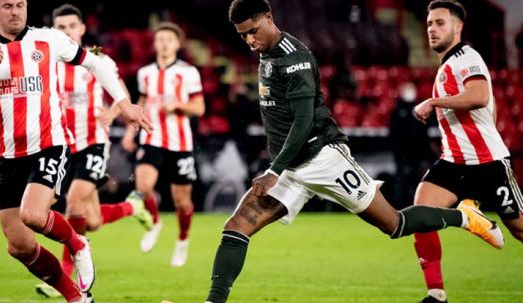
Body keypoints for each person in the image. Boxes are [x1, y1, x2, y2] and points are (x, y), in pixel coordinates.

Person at [199, 1, 504, 302]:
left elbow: (304, 123)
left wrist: (272, 171)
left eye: (253, 31)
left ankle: (464, 217)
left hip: (324, 158)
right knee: (236, 226)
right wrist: (280, 167)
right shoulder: (267, 54)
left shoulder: (296, 60)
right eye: (243, 36)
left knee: (395, 224)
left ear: (268, 16)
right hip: (291, 167)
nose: (250, 41)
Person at [0, 0, 151, 302]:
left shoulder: (48, 38)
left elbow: (97, 62)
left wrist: (123, 105)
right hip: (9, 156)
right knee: (18, 245)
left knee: (34, 215)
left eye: (20, 4)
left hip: (50, 144)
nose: (15, 11)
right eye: (7, 6)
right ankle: (77, 298)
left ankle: (77, 243)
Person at [34, 4, 155, 298]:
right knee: (92, 221)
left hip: (93, 142)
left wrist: (112, 115)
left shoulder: (97, 59)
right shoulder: (48, 62)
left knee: (72, 204)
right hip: (62, 146)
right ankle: (132, 207)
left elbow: (121, 95)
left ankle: (66, 275)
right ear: (54, 31)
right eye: (60, 28)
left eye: (71, 26)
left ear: (82, 28)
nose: (67, 32)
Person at [413, 1, 523, 302]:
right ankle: (436, 294)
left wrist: (433, 102)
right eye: (429, 25)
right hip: (453, 161)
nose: (432, 30)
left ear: (457, 27)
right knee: (420, 217)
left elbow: (480, 95)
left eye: (440, 23)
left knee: (520, 230)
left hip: (489, 164)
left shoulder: (466, 57)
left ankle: (472, 211)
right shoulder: (447, 65)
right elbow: (492, 107)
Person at [121, 22, 205, 266]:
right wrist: (130, 133)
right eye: (160, 39)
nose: (165, 43)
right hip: (151, 138)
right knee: (143, 186)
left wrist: (178, 106)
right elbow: (142, 104)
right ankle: (155, 223)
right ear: (155, 44)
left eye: (169, 39)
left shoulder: (188, 72)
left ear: (178, 44)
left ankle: (182, 240)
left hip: (180, 143)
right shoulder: (145, 73)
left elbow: (199, 107)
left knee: (182, 201)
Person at [389, 82, 432, 209]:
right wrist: (398, 154)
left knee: (416, 182)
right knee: (402, 181)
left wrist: (426, 155)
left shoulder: (419, 110)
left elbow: (424, 134)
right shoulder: (397, 112)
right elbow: (394, 135)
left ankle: (414, 208)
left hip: (418, 154)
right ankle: (398, 208)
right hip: (403, 155)